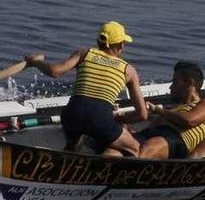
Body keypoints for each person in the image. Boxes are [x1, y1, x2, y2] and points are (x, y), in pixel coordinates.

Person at [24, 21, 148, 155]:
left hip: (72, 113)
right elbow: (142, 115)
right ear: (120, 45)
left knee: (73, 147)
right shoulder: (128, 70)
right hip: (99, 118)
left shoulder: (84, 53)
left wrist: (36, 62)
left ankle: (68, 156)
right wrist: (118, 120)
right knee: (135, 148)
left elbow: (54, 71)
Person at [123, 62, 205, 159]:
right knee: (116, 146)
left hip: (176, 138)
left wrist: (158, 110)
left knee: (144, 150)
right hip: (152, 134)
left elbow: (190, 121)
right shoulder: (173, 110)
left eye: (175, 82)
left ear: (189, 83)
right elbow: (150, 128)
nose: (170, 87)